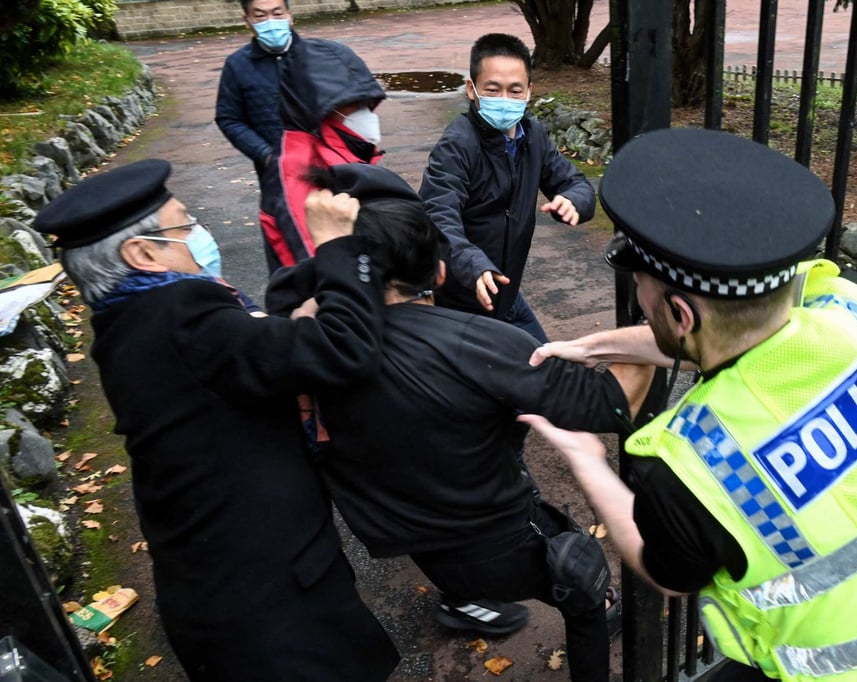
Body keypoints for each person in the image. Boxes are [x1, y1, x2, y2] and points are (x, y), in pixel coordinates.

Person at [523, 128, 857, 682]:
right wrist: (597, 347)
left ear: (680, 314)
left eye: (642, 290)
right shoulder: (855, 305)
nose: (639, 297)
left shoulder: (695, 462)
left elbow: (668, 576)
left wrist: (585, 457)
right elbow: (742, 332)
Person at [265, 163, 655, 681]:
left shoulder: (303, 338)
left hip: (410, 541)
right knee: (583, 582)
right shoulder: (479, 342)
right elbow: (610, 404)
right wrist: (654, 325)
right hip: (497, 542)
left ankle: (463, 602)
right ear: (441, 272)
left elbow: (287, 293)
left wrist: (335, 260)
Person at [32, 159, 399, 680]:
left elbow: (238, 358)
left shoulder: (128, 319)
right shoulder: (185, 312)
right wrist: (338, 246)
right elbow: (346, 351)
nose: (199, 232)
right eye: (185, 224)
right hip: (272, 609)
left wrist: (287, 329)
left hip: (213, 588)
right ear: (142, 254)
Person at [419, 33, 596, 343]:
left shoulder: (533, 136)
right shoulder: (458, 144)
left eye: (515, 90)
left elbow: (576, 183)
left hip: (506, 296)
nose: (504, 99)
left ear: (529, 91)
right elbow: (437, 216)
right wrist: (473, 264)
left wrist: (572, 200)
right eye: (492, 90)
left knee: (547, 364)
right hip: (461, 302)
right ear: (472, 90)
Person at [265, 37, 386, 269]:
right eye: (355, 103)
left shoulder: (345, 151)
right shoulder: (297, 172)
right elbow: (321, 267)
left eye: (367, 103)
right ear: (321, 107)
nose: (366, 113)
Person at [215, 0, 297, 272]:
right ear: (247, 21)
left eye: (277, 13)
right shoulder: (238, 65)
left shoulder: (317, 56)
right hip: (276, 176)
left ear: (289, 15)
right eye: (260, 16)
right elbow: (229, 118)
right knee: (286, 249)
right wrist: (265, 155)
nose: (271, 22)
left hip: (326, 169)